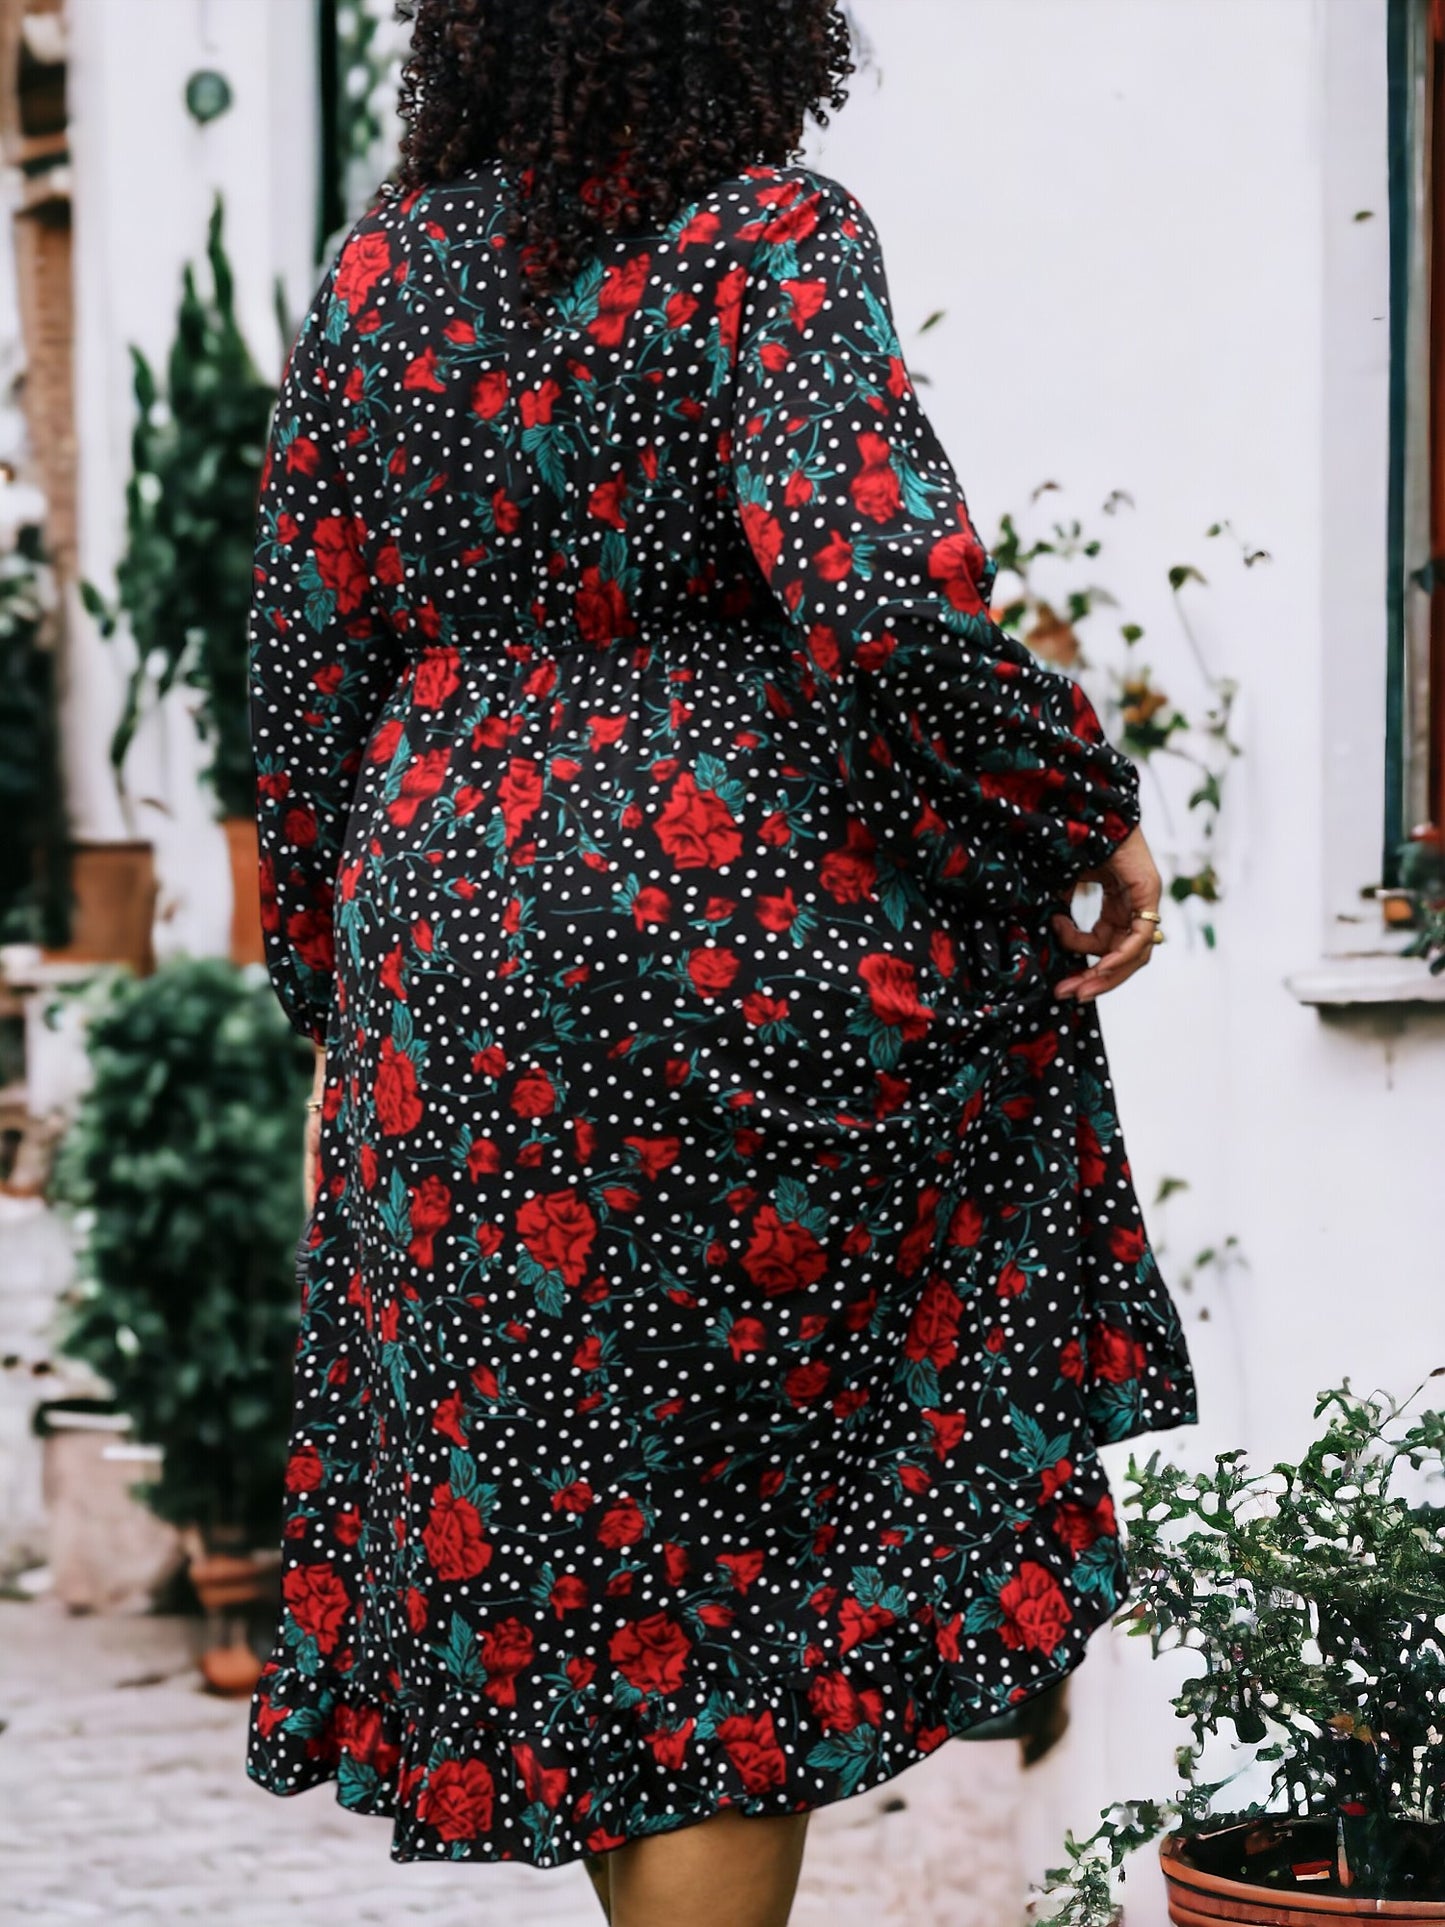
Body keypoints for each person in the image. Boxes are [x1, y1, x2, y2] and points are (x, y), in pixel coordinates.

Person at [244, 3, 1198, 1922]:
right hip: (718, 935)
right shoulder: (767, 235)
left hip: (452, 942)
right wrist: (1067, 808)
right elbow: (865, 590)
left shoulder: (376, 265)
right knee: (716, 1558)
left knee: (596, 1544)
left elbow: (299, 664)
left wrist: (333, 992)